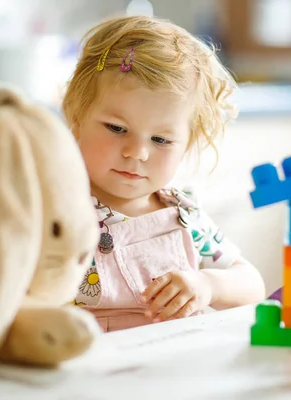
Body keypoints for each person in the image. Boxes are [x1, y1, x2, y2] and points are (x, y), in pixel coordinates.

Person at [61, 15, 265, 332]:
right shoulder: (54, 210)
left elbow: (252, 284)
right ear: (76, 117)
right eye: (117, 128)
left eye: (160, 140)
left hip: (174, 371)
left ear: (187, 144)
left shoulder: (185, 217)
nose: (136, 152)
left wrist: (207, 284)